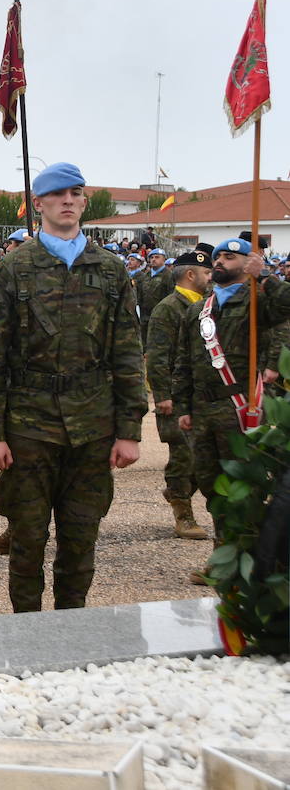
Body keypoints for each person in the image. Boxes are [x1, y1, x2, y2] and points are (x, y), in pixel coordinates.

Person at [0, 162, 145, 613]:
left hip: (93, 423)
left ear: (84, 202)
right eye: (58, 194)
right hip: (29, 426)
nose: (68, 201)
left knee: (81, 535)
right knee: (27, 539)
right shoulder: (14, 268)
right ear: (39, 204)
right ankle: (27, 631)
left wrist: (129, 429)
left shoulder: (110, 270)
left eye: (76, 193)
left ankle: (72, 628)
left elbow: (128, 352)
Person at [174, 237, 290, 581]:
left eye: (229, 256)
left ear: (247, 262)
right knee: (213, 485)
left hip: (243, 405)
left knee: (246, 484)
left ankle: (252, 559)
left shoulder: (260, 300)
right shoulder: (200, 309)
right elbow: (184, 360)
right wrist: (182, 405)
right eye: (217, 257)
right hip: (204, 407)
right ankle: (224, 555)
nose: (220, 261)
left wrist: (266, 276)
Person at [144, 246, 213, 541]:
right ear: (190, 274)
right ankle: (183, 513)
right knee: (184, 455)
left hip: (203, 395)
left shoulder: (210, 304)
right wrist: (163, 395)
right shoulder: (168, 309)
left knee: (205, 456)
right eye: (206, 272)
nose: (211, 276)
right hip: (175, 394)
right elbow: (157, 356)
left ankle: (176, 492)